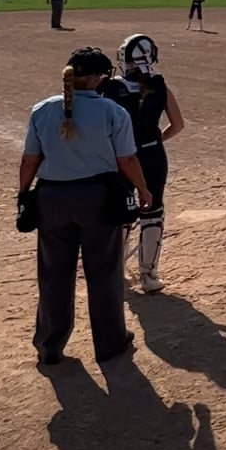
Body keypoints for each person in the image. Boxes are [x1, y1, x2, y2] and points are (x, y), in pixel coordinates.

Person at [21, 46, 151, 366]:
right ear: (96, 79)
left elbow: (30, 160)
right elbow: (127, 160)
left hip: (52, 198)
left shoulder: (42, 109)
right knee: (104, 272)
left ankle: (49, 346)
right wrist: (143, 188)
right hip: (98, 199)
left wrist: (23, 194)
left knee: (53, 275)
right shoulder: (111, 112)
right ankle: (110, 343)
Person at [102, 34, 186, 294]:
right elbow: (178, 125)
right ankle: (148, 275)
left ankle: (115, 270)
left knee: (122, 211)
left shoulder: (111, 89)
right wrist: (155, 140)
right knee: (154, 210)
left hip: (121, 158)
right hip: (153, 156)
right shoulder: (160, 87)